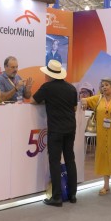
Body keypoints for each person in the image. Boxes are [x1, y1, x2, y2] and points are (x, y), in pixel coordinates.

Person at [30, 59, 78, 207]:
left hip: (56, 129)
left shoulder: (47, 88)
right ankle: (72, 194)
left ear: (49, 75)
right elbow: (74, 108)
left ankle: (56, 196)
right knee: (70, 159)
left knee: (55, 161)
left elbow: (33, 100)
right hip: (70, 127)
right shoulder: (71, 88)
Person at [82, 79, 111, 195]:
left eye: (106, 85)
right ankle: (106, 185)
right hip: (102, 133)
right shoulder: (98, 98)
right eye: (102, 85)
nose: (104, 87)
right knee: (104, 157)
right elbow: (85, 99)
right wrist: (84, 102)